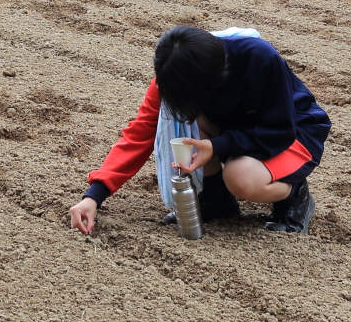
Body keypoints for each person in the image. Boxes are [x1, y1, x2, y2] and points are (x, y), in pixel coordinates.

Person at [67, 25, 327, 237]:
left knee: (240, 177)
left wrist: (217, 146)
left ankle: (295, 196)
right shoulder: (173, 76)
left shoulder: (256, 57)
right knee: (184, 127)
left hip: (294, 133)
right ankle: (215, 200)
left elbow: (280, 130)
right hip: (236, 132)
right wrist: (93, 197)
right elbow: (139, 134)